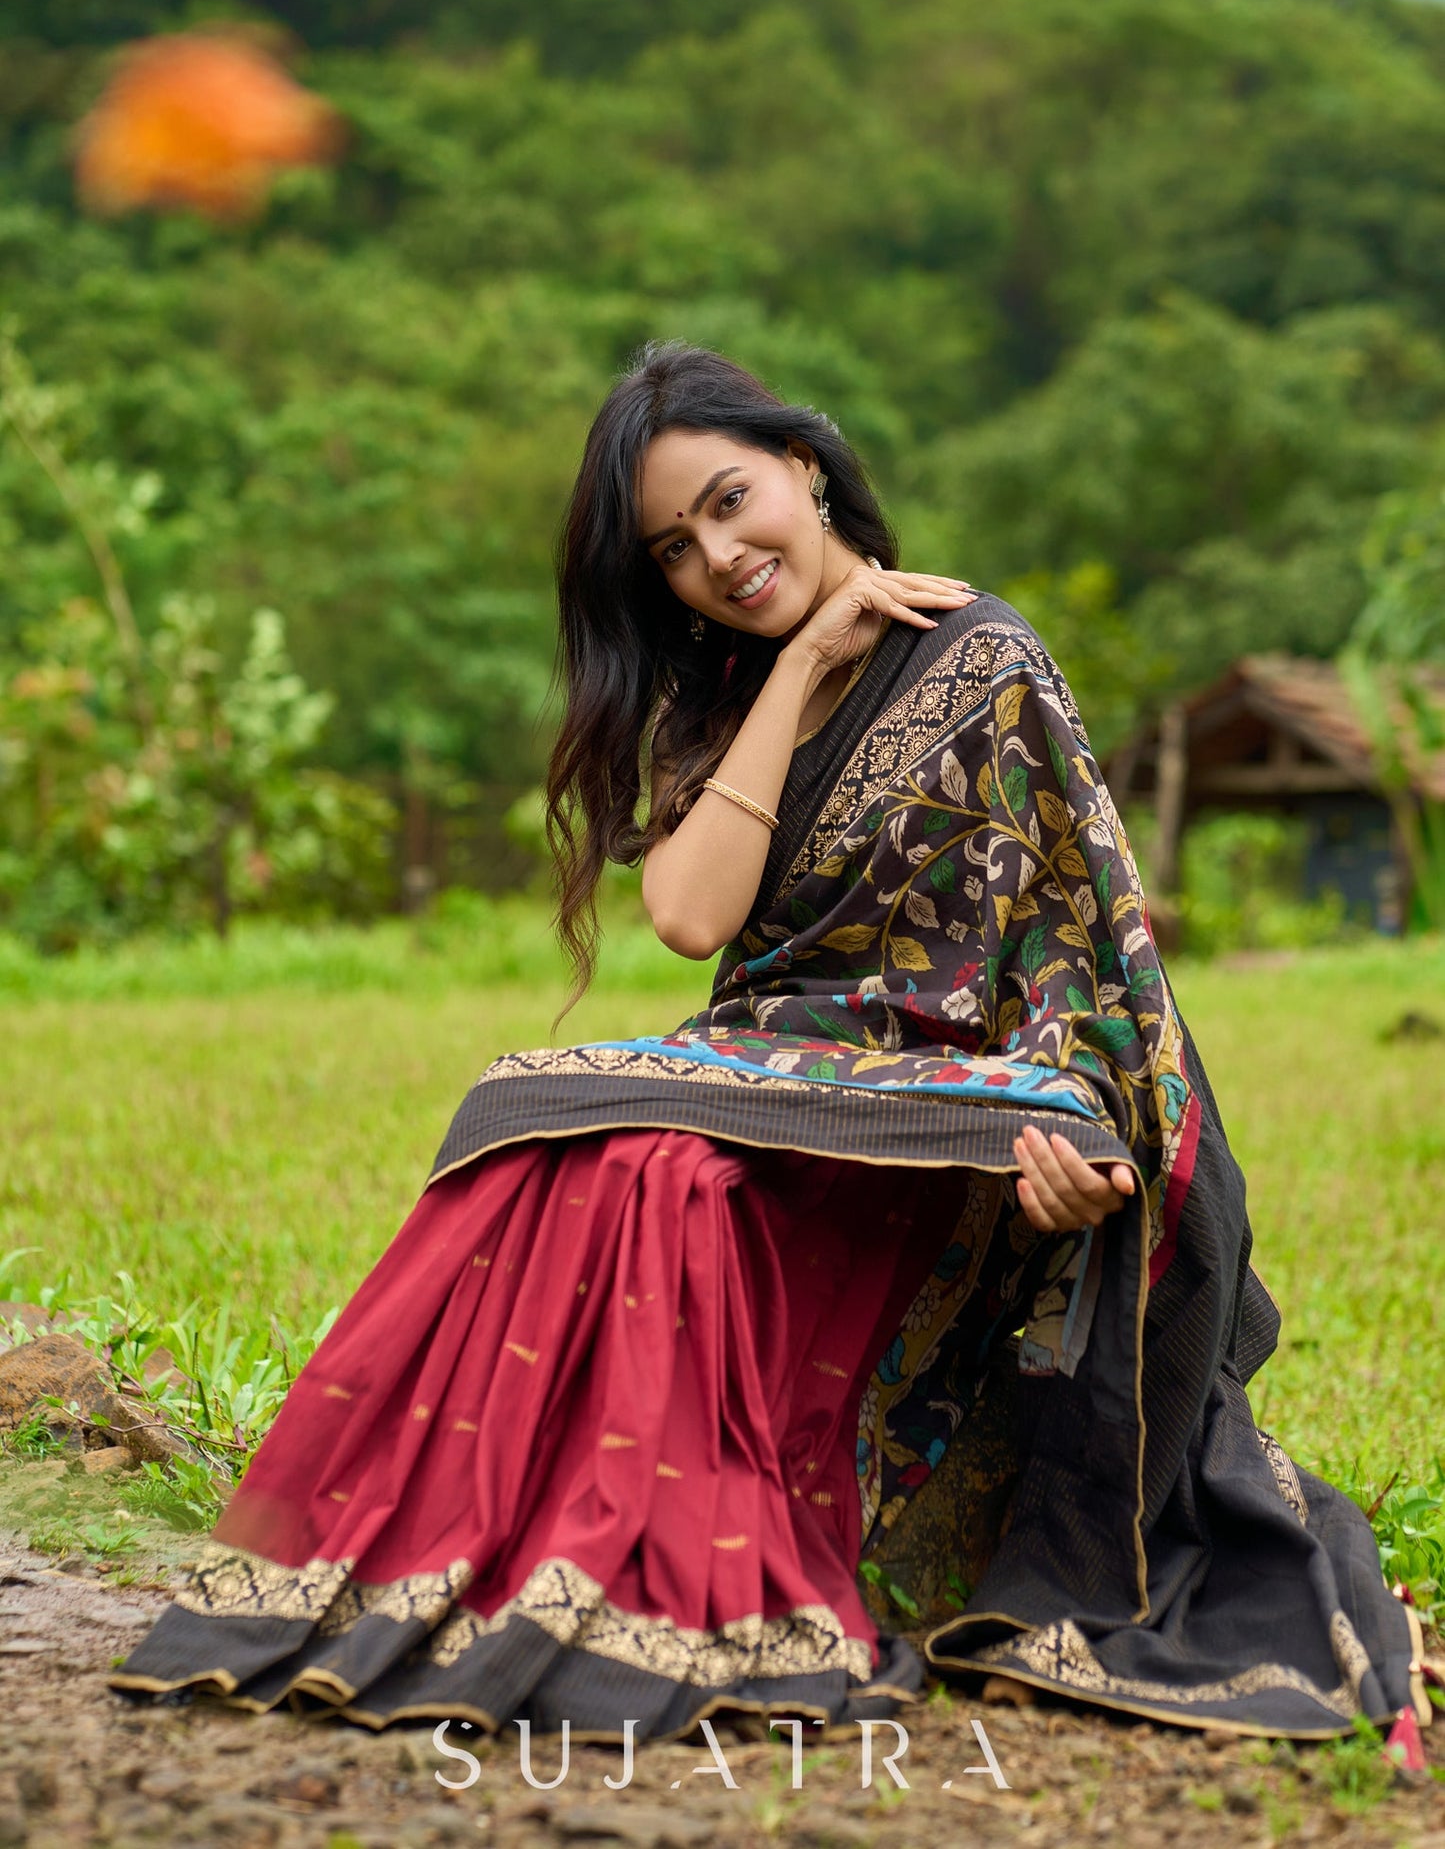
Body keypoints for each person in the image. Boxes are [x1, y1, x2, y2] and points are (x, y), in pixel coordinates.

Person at [112, 344, 1427, 1745]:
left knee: (664, 1169)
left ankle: (680, 1571)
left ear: (803, 465)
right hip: (778, 1074)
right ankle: (500, 1557)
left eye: (733, 503)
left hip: (944, 1114)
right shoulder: (728, 694)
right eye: (675, 550)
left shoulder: (977, 654)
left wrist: (1081, 1135)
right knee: (550, 1123)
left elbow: (1076, 938)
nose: (720, 559)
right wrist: (800, 661)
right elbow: (687, 919)